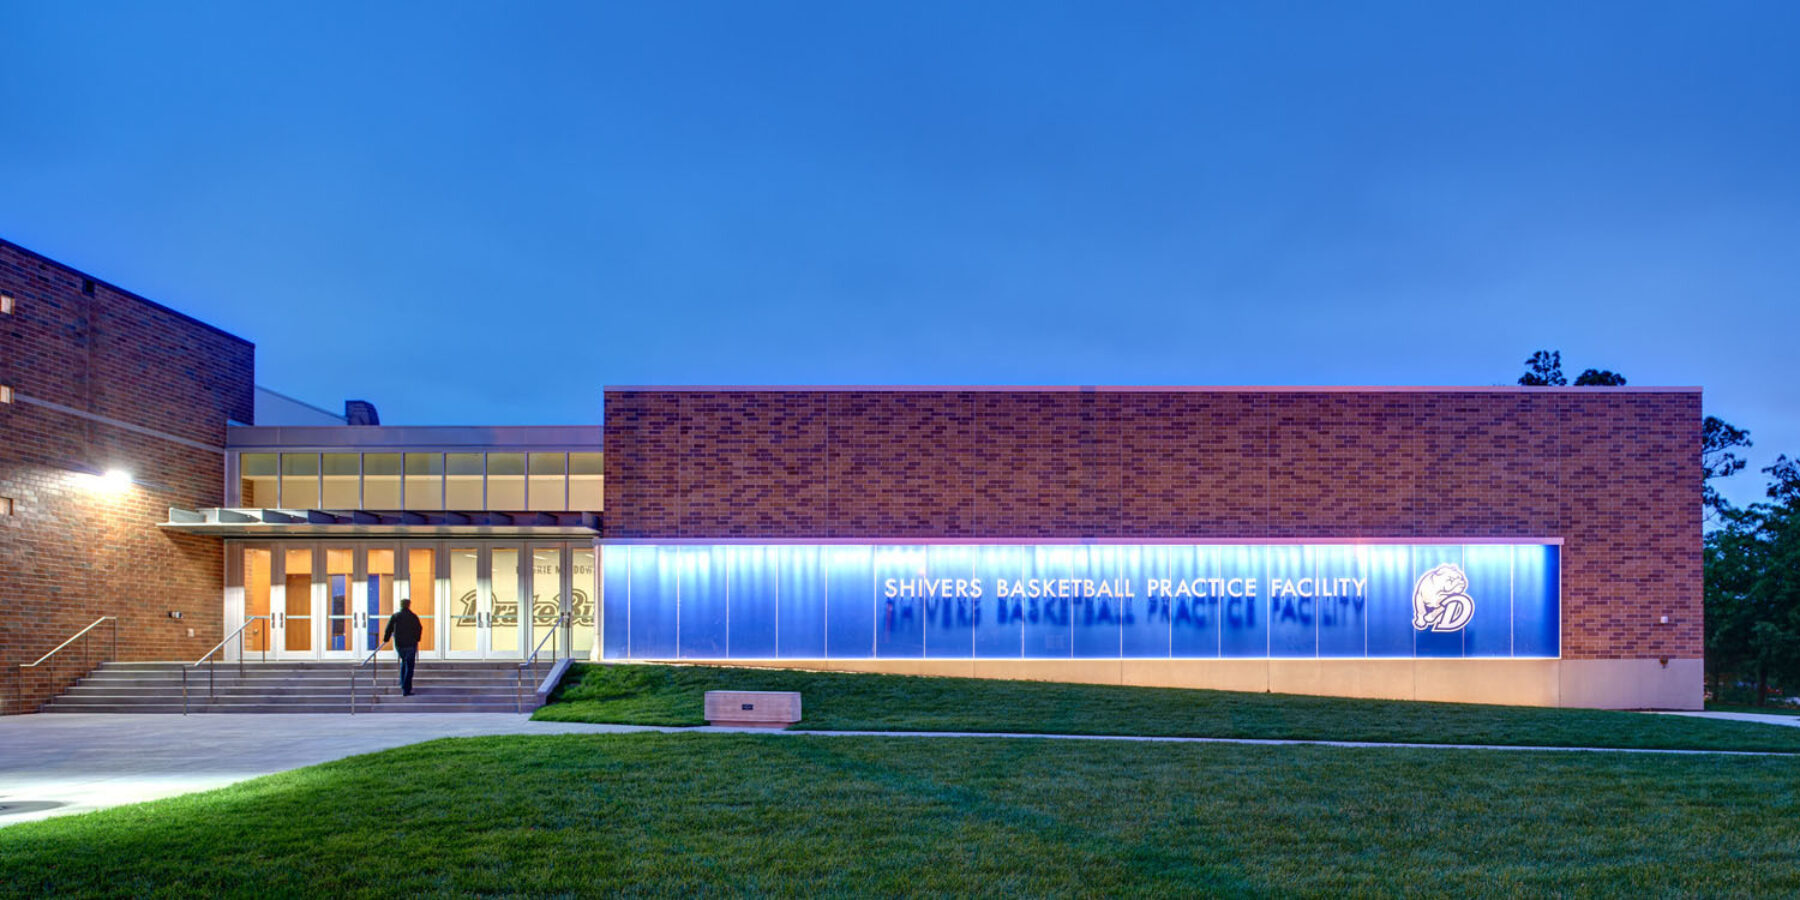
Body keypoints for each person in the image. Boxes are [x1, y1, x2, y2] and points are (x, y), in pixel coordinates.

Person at [382, 598, 424, 696]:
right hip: (410, 644)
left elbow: (389, 628)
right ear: (409, 605)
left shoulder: (396, 616)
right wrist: (417, 639)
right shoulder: (413, 617)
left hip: (400, 644)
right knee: (409, 666)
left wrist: (386, 639)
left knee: (404, 662)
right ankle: (406, 688)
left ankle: (403, 683)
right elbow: (419, 628)